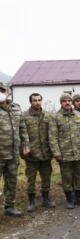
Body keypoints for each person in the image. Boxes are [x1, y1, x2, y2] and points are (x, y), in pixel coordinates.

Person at [49, 93, 80, 209]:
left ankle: (78, 197)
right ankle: (69, 199)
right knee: (67, 177)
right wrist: (56, 153)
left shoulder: (78, 115)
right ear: (61, 103)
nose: (67, 103)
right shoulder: (55, 117)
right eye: (64, 101)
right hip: (65, 153)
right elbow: (53, 137)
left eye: (69, 100)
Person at [0, 82, 30, 217]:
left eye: (2, 90)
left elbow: (22, 129)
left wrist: (26, 146)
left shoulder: (16, 108)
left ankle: (9, 206)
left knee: (11, 181)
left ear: (8, 92)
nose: (1, 93)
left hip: (13, 153)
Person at [23, 93, 55, 212]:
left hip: (46, 153)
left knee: (46, 177)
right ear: (31, 102)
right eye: (35, 100)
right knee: (31, 179)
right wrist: (24, 150)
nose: (37, 102)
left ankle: (45, 198)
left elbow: (52, 134)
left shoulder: (48, 115)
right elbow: (22, 134)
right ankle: (31, 201)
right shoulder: (25, 116)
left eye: (39, 100)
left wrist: (53, 151)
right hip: (32, 155)